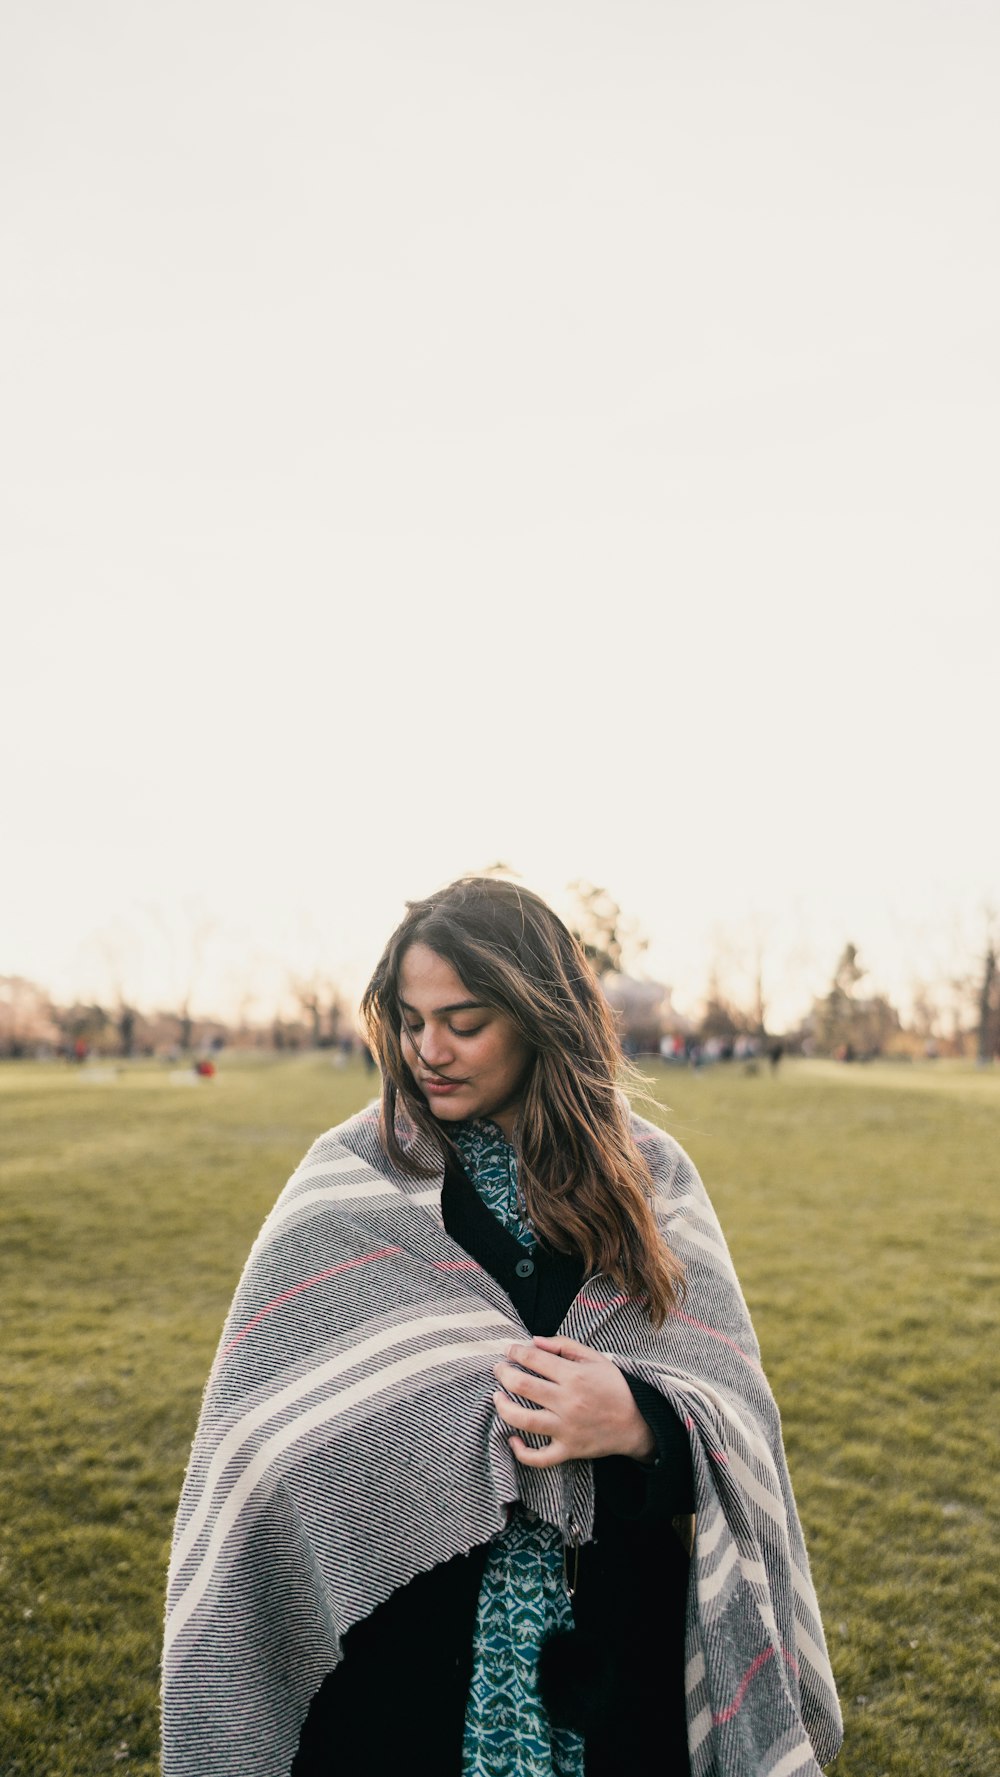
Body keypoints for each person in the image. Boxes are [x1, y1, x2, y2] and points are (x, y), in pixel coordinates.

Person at [163, 879, 842, 1777]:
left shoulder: (649, 1179)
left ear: (538, 1015)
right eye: (409, 1020)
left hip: (619, 1666)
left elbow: (738, 1415)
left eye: (465, 1021)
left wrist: (639, 1420)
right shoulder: (350, 1179)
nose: (428, 1050)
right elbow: (258, 1433)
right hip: (403, 1667)